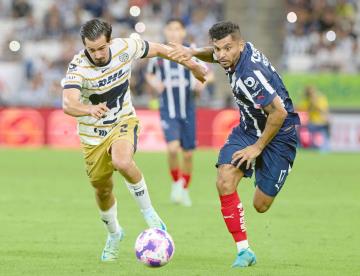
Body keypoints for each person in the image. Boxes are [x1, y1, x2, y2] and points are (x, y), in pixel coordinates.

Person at [61, 18, 206, 262]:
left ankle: (149, 214)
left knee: (122, 161)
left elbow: (160, 49)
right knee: (102, 189)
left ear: (110, 40)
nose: (96, 54)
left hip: (122, 122)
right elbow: (68, 103)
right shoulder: (78, 67)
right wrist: (88, 110)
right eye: (91, 49)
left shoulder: (126, 47)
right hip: (92, 137)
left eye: (101, 48)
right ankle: (114, 233)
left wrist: (191, 65)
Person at [168, 21, 300, 268]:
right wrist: (194, 52)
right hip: (248, 129)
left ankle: (267, 164)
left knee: (261, 205)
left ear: (239, 45)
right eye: (217, 49)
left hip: (280, 134)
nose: (221, 55)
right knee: (224, 179)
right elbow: (216, 55)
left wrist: (257, 148)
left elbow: (279, 113)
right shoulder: (235, 52)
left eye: (227, 49)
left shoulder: (250, 74)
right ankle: (244, 250)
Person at [145, 18, 205, 207]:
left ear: (183, 32)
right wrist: (155, 83)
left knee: (187, 154)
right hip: (167, 109)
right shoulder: (158, 53)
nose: (173, 32)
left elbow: (207, 73)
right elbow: (149, 74)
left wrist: (200, 83)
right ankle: (175, 183)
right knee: (172, 149)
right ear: (165, 31)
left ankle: (184, 189)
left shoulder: (192, 50)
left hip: (188, 109)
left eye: (177, 29)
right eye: (170, 29)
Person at [298, 85, 330, 151]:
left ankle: (325, 146)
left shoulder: (321, 99)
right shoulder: (307, 101)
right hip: (311, 123)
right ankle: (301, 145)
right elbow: (302, 110)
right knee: (300, 128)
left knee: (327, 125)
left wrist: (315, 103)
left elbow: (324, 110)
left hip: (321, 122)